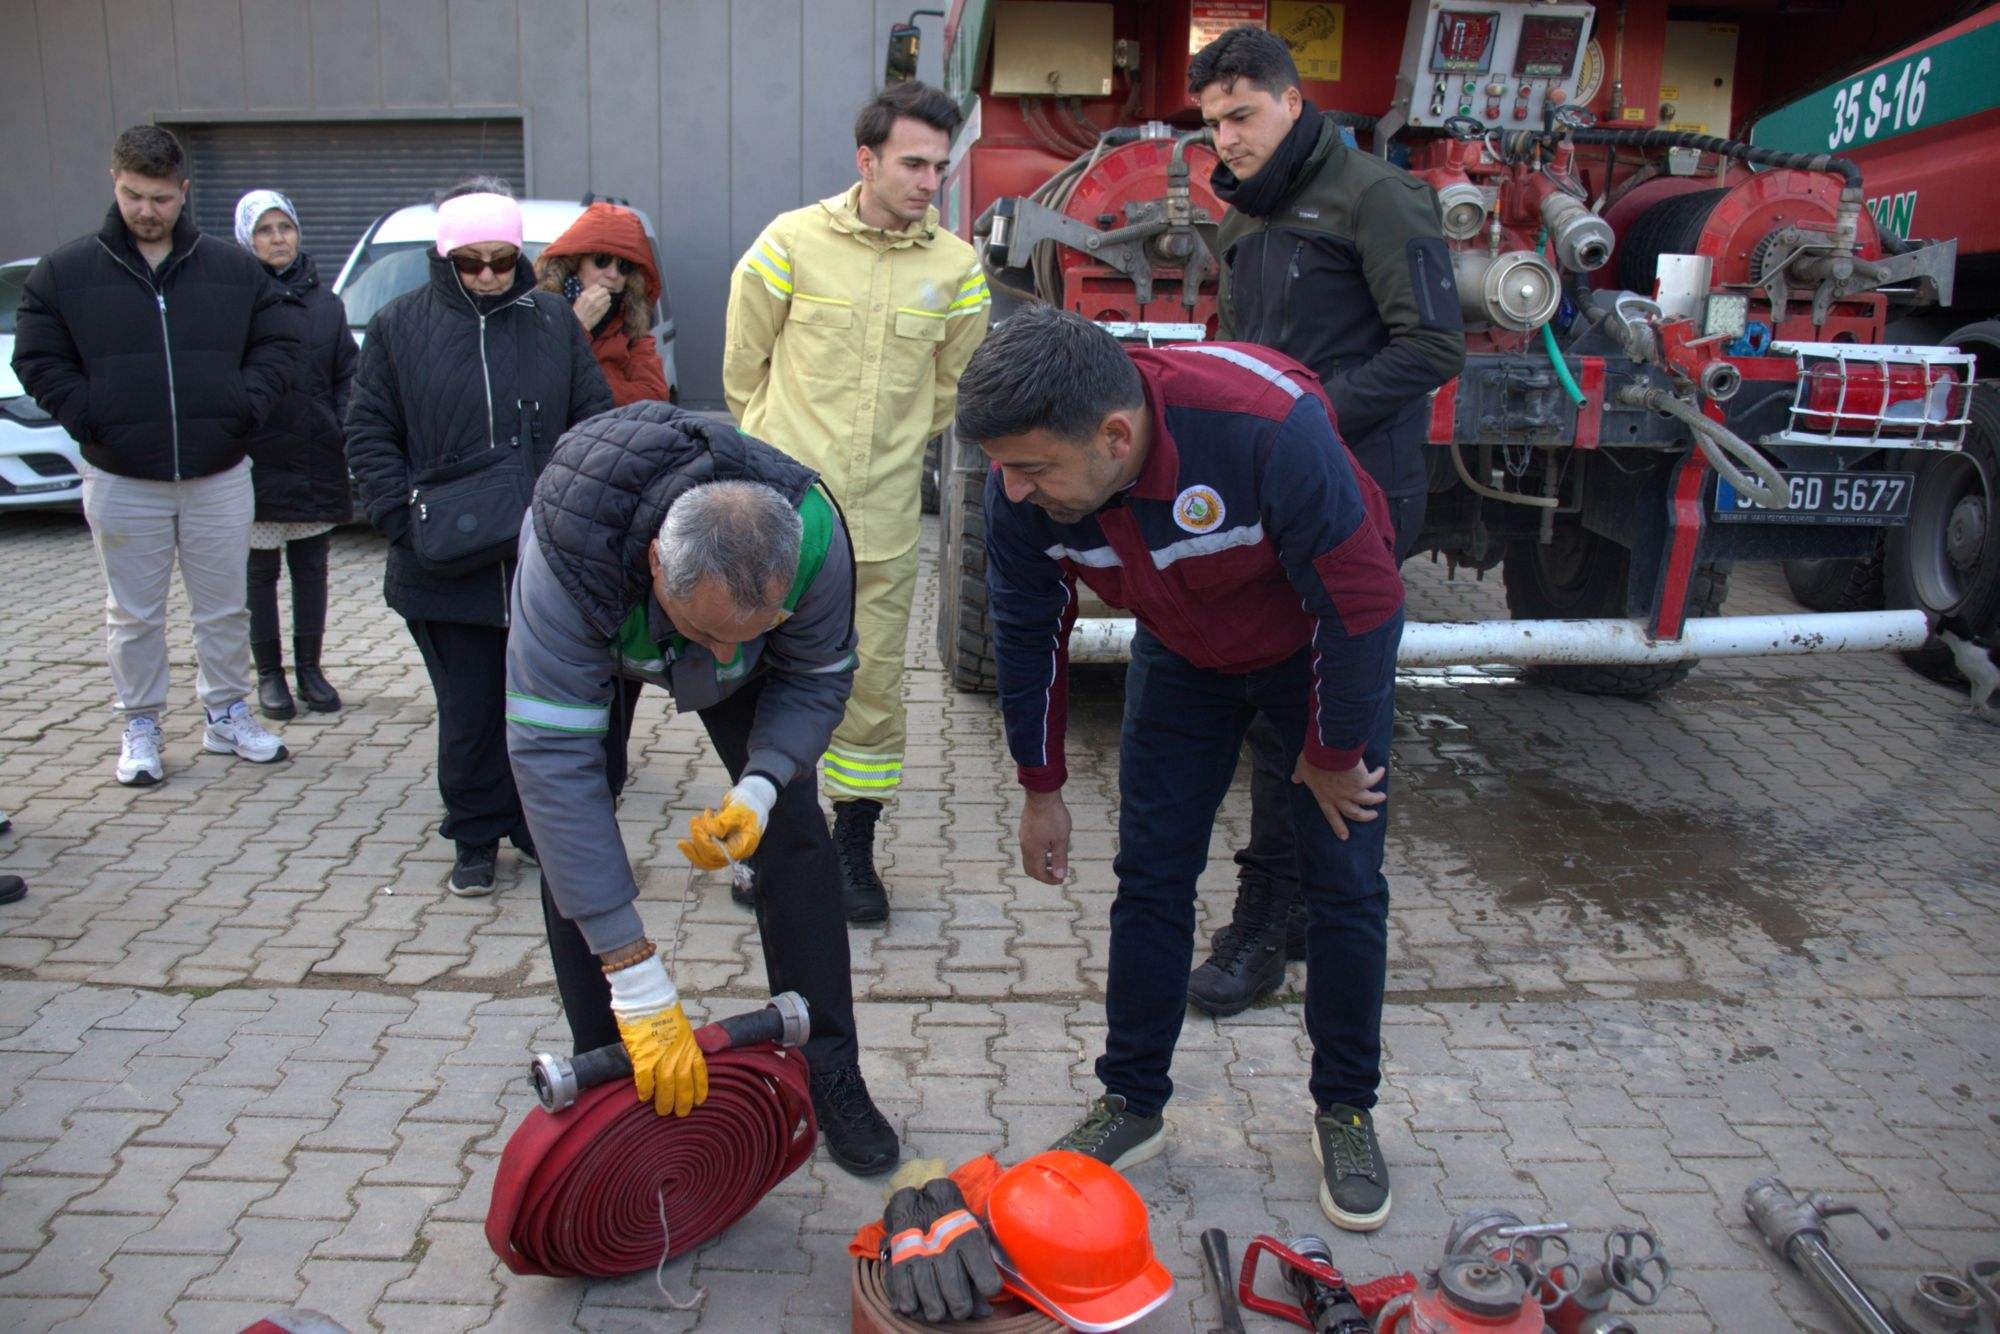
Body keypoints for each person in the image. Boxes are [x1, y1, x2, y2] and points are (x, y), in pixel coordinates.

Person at [959, 308, 1405, 1232]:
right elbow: (1026, 628)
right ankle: (1132, 1101)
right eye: (1005, 467)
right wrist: (1040, 786)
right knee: (1152, 877)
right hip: (1182, 654)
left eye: (1034, 467)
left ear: (1116, 437)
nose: (1014, 488)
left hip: (1312, 650)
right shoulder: (1020, 490)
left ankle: (1345, 1110)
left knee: (1344, 881)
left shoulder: (1266, 429)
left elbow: (1363, 603)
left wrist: (1329, 756)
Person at [505, 400, 900, 1177]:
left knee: (793, 831)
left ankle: (828, 1069)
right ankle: (612, 1074)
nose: (723, 660)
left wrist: (761, 784)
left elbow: (816, 678)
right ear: (658, 562)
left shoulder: (814, 538)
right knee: (573, 831)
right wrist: (636, 972)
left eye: (748, 634)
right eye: (708, 633)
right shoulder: (565, 558)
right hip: (604, 616)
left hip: (710, 615)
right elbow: (553, 766)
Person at [1189, 26, 1467, 1016]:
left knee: (1333, 710)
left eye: (1241, 115)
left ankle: (1269, 923)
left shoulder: (1377, 197)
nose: (1226, 138)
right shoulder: (1243, 216)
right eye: (1212, 123)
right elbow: (1240, 350)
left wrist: (1301, 421)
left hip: (1359, 491)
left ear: (1291, 101)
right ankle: (1299, 906)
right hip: (1276, 489)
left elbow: (1432, 346)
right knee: (1282, 705)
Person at [724, 81, 990, 924]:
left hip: (881, 524)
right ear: (866, 160)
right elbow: (744, 367)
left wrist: (890, 451)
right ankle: (765, 839)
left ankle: (852, 849)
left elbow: (952, 388)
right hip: (782, 518)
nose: (928, 182)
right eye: (913, 164)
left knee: (869, 688)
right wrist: (776, 452)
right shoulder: (790, 243)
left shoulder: (956, 268)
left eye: (939, 167)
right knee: (766, 676)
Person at [346, 179, 613, 896]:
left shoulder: (552, 322)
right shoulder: (399, 326)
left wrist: (584, 514)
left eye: (502, 260)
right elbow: (369, 431)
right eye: (471, 263)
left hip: (541, 559)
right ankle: (473, 834)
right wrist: (400, 519)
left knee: (541, 708)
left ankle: (534, 825)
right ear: (445, 258)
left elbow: (593, 419)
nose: (490, 276)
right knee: (469, 711)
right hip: (443, 564)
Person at [11, 125, 299, 785]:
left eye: (162, 198)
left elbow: (278, 344)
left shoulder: (233, 269)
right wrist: (92, 417)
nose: (148, 210)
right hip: (121, 475)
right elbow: (38, 357)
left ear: (184, 191)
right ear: (114, 183)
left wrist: (241, 407)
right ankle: (140, 723)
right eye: (135, 195)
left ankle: (226, 713)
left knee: (224, 607)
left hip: (219, 471)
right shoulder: (65, 272)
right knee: (133, 613)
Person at [232, 189, 361, 720]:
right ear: (247, 239)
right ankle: (270, 675)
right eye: (264, 230)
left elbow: (348, 374)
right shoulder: (233, 301)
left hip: (314, 455)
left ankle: (311, 669)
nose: (277, 238)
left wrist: (338, 424)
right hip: (256, 459)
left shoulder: (327, 304)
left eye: (285, 227)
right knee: (259, 575)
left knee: (311, 570)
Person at [534, 202, 671, 407]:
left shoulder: (631, 326)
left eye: (624, 266)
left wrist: (587, 391)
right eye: (601, 260)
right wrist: (578, 326)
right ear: (576, 261)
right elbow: (538, 384)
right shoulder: (540, 311)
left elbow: (654, 396)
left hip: (612, 427)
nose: (613, 274)